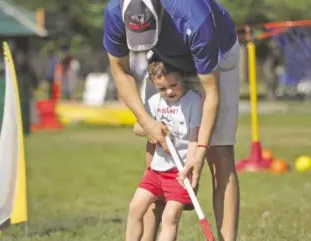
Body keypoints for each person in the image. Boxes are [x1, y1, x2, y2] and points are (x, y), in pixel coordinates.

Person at [103, 0, 240, 240]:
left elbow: (211, 93)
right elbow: (119, 71)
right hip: (164, 59)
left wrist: (198, 152)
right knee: (153, 157)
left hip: (217, 56)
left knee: (219, 154)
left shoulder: (195, 18)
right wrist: (148, 123)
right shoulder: (115, 12)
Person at [128, 59, 202, 241]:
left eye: (173, 85)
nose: (169, 91)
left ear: (182, 78)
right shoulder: (155, 102)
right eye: (162, 88)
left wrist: (190, 169)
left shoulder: (194, 102)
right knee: (135, 208)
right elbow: (136, 128)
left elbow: (195, 139)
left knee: (170, 218)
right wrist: (153, 126)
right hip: (156, 170)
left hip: (180, 173)